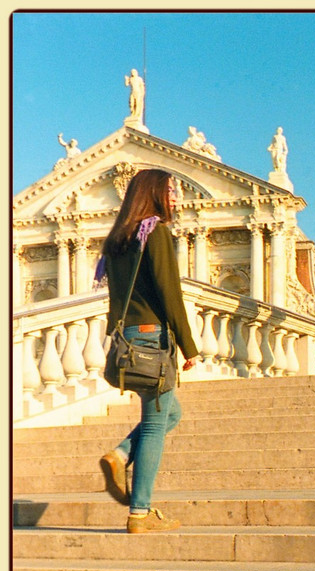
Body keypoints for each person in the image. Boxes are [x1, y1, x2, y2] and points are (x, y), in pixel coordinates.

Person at [94, 167, 200, 534]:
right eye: (170, 190)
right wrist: (189, 344)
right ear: (153, 193)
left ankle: (120, 454)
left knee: (172, 414)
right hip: (155, 339)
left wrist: (116, 338)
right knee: (157, 424)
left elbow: (114, 297)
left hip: (130, 338)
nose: (175, 198)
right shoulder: (155, 234)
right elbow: (171, 293)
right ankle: (140, 512)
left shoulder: (117, 240)